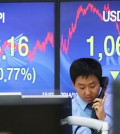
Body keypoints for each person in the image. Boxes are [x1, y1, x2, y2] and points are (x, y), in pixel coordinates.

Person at [69, 57, 112, 134]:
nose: (88, 92)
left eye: (92, 86)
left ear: (101, 83)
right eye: (82, 87)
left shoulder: (114, 103)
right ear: (73, 85)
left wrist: (104, 119)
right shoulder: (69, 109)